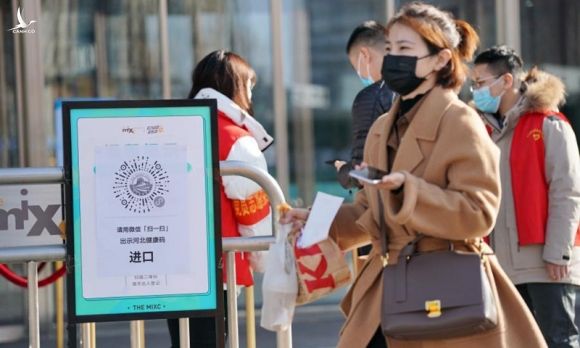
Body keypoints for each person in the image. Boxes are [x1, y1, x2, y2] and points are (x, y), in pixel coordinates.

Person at [282, 3, 546, 347]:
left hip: (446, 291)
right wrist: (319, 221)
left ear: (440, 60)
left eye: (405, 49)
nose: (393, 59)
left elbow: (480, 213)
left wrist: (411, 192)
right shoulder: (382, 127)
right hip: (390, 285)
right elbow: (369, 208)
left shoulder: (460, 121)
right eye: (390, 48)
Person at [471, 45, 580, 348]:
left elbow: (568, 191)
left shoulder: (549, 124)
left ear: (506, 81)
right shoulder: (483, 131)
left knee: (558, 341)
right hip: (501, 266)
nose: (475, 89)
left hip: (546, 263)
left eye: (480, 82)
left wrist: (559, 252)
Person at [166, 50, 273, 347]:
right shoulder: (234, 138)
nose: (251, 93)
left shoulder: (173, 128)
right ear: (236, 86)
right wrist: (263, 256)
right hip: (216, 268)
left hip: (168, 260)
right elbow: (252, 209)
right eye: (249, 85)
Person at [334, 21, 394, 190]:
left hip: (386, 202)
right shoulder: (414, 90)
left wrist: (343, 170)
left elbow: (363, 172)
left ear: (364, 55)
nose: (359, 74)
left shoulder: (372, 96)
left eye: (356, 67)